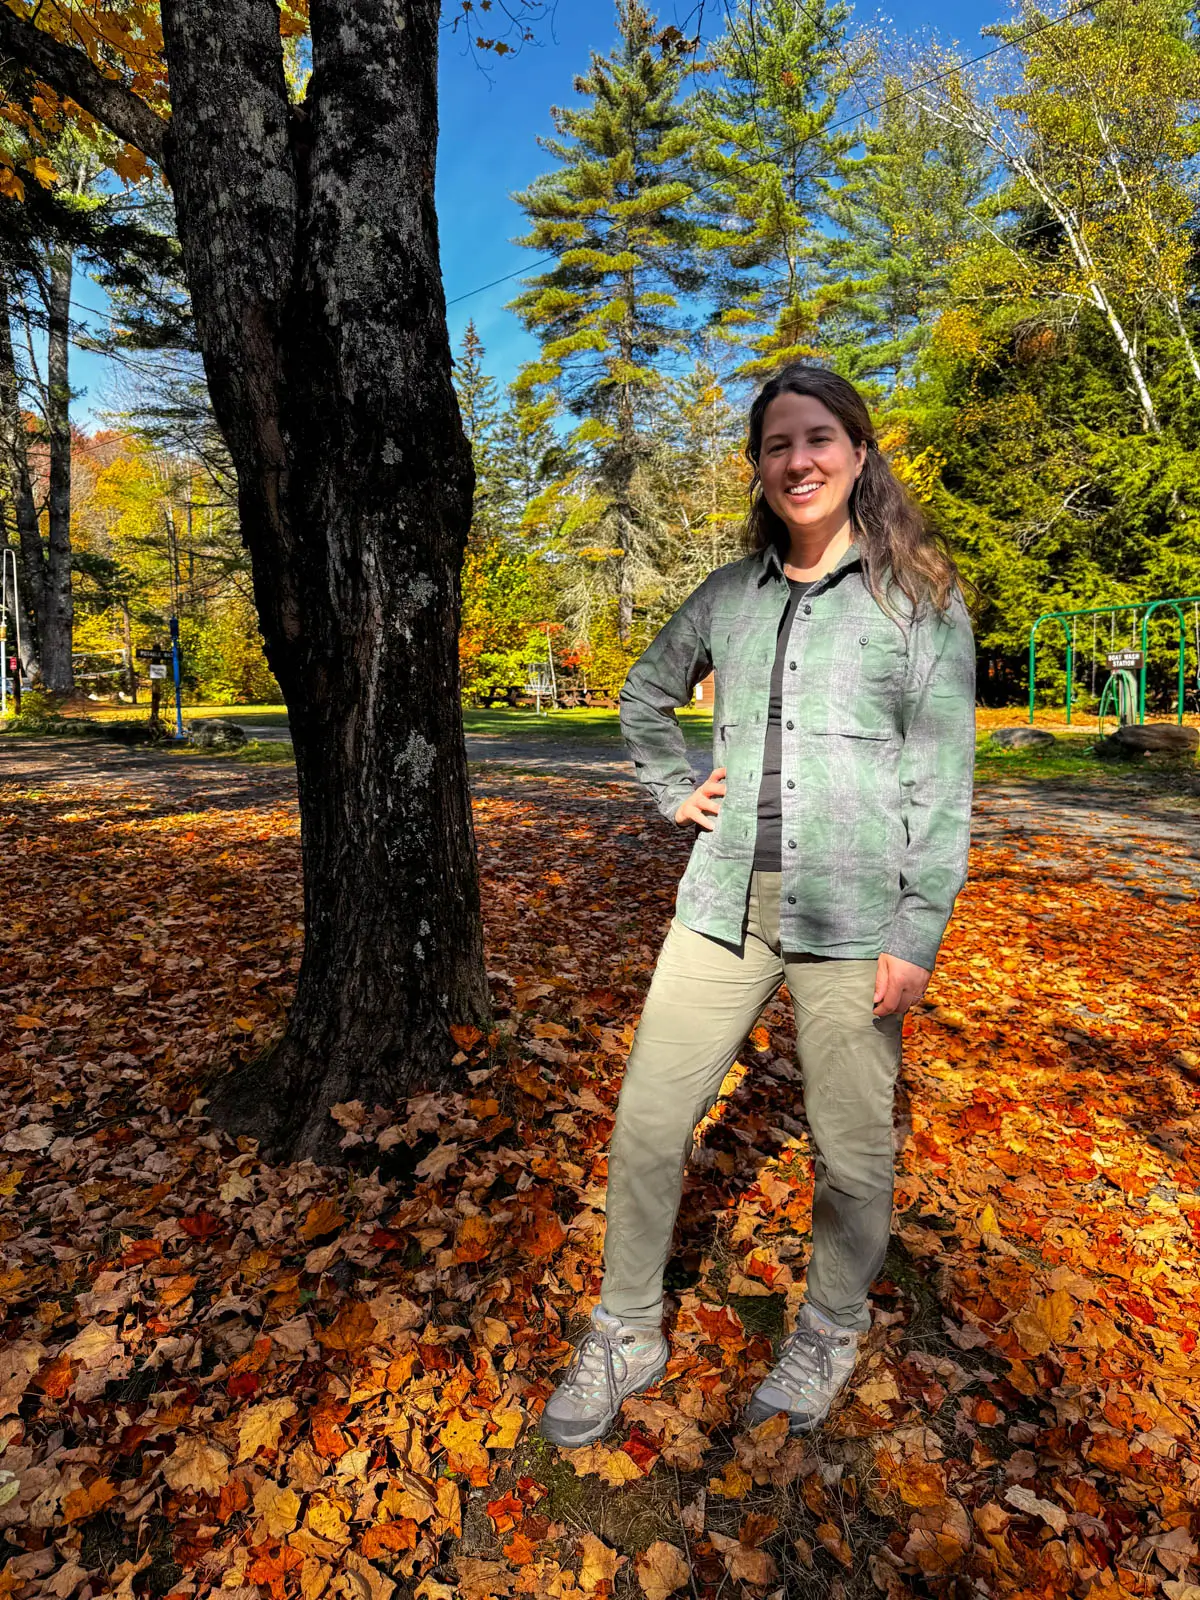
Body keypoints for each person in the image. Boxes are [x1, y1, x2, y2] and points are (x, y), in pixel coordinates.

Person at [537, 364, 976, 1448]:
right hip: (721, 904)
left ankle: (829, 1324)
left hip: (856, 916)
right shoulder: (730, 596)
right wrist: (668, 787)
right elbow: (644, 691)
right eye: (780, 444)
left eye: (819, 437)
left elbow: (943, 784)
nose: (801, 460)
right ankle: (628, 1326)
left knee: (852, 1148)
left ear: (858, 453)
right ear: (760, 467)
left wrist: (918, 934)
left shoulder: (919, 602)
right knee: (647, 1117)